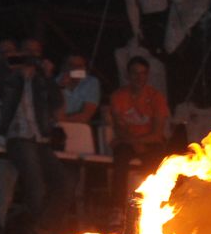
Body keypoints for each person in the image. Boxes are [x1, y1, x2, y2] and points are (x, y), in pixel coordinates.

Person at [0, 41, 67, 234]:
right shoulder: (7, 75)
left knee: (63, 181)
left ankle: (43, 226)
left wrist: (48, 76)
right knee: (36, 182)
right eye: (26, 53)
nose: (30, 57)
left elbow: (57, 102)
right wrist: (12, 71)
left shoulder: (40, 79)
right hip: (18, 136)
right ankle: (41, 232)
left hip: (40, 137)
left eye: (35, 53)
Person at [109, 55, 170, 188]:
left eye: (143, 73)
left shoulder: (156, 97)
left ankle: (153, 201)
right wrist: (134, 143)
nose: (139, 77)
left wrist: (137, 142)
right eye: (135, 73)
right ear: (128, 75)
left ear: (147, 75)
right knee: (120, 159)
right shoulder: (118, 96)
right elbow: (119, 128)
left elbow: (157, 134)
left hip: (150, 142)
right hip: (126, 141)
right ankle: (117, 205)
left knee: (156, 161)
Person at [58, 53, 101, 125]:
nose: (76, 69)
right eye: (71, 65)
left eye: (79, 66)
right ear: (64, 67)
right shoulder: (55, 82)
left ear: (84, 68)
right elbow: (56, 113)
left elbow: (85, 116)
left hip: (79, 126)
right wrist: (61, 87)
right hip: (58, 127)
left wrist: (63, 119)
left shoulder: (91, 82)